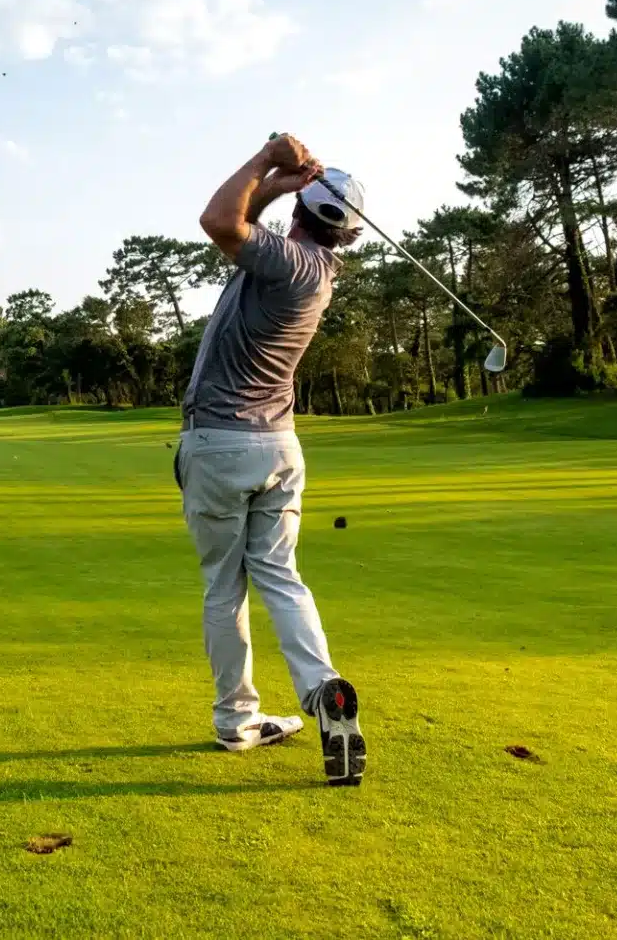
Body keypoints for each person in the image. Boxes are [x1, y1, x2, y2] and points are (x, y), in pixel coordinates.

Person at [175, 132, 367, 786]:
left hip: (221, 445)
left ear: (306, 213)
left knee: (223, 589)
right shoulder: (315, 269)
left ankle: (237, 718)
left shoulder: (288, 263)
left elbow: (219, 220)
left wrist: (264, 159)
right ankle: (323, 691)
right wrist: (287, 184)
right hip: (277, 446)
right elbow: (245, 224)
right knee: (281, 578)